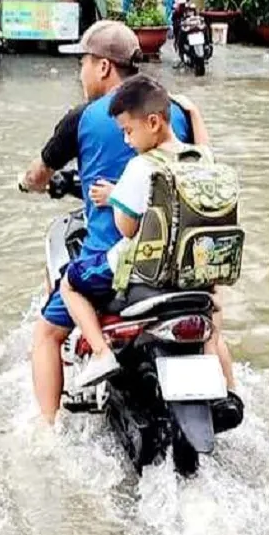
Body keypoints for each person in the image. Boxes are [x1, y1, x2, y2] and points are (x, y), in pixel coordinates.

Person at [18, 20, 236, 425]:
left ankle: (45, 429)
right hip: (185, 269)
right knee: (213, 328)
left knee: (47, 333)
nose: (79, 72)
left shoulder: (84, 119)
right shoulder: (175, 111)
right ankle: (229, 392)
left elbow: (40, 175)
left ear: (103, 67)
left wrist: (25, 183)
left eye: (82, 62)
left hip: (124, 267)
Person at [57, 74, 207, 387]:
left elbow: (125, 229)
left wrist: (115, 198)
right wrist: (193, 114)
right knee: (214, 332)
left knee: (70, 283)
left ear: (153, 123)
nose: (127, 140)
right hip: (191, 271)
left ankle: (100, 353)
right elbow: (205, 149)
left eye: (128, 131)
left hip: (141, 271)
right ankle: (228, 386)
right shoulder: (202, 159)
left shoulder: (141, 167)